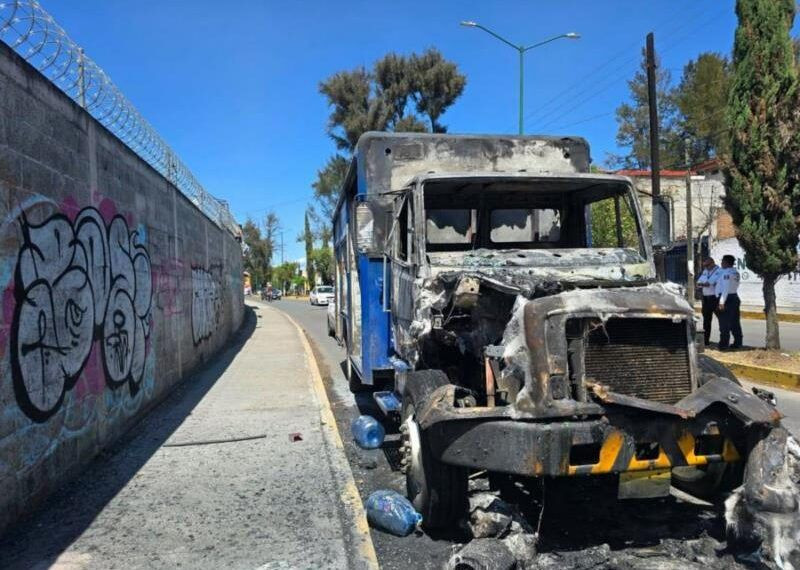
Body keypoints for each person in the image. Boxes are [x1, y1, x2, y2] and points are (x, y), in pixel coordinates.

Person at [716, 254, 743, 350]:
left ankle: (724, 345)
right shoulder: (735, 272)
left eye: (722, 261)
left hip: (727, 299)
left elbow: (725, 288)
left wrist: (721, 302)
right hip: (734, 297)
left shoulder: (726, 273)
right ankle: (738, 343)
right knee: (735, 322)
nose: (721, 263)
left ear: (726, 262)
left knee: (724, 324)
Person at [696, 257, 722, 346]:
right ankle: (706, 341)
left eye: (707, 265)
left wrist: (703, 284)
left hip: (715, 298)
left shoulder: (719, 271)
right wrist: (703, 284)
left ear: (712, 263)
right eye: (704, 266)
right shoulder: (706, 271)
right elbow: (699, 282)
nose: (705, 267)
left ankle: (724, 341)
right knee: (706, 321)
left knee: (722, 320)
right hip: (706, 299)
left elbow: (708, 283)